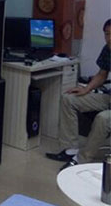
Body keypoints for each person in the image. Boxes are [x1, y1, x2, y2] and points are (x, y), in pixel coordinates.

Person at [46, 18, 110, 168]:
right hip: (109, 98)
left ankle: (81, 160)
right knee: (68, 99)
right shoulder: (108, 49)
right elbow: (102, 74)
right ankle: (70, 150)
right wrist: (86, 89)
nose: (110, 38)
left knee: (103, 118)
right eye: (107, 34)